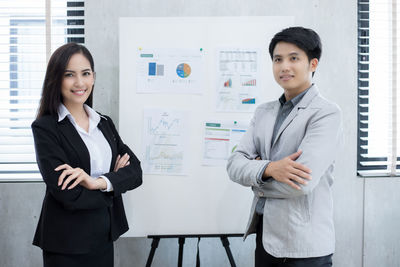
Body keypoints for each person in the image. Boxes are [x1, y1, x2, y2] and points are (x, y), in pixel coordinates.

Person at [227, 27, 343, 267]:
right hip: (265, 239)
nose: (284, 67)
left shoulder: (326, 113)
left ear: (313, 64)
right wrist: (270, 169)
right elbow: (234, 164)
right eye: (278, 59)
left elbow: (301, 184)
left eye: (294, 58)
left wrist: (256, 179)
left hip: (304, 246)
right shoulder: (263, 112)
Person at [31, 43, 143, 267]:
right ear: (57, 79)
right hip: (66, 242)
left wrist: (96, 182)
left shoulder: (104, 123)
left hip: (104, 237)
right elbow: (66, 194)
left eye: (86, 73)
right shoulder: (46, 128)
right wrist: (112, 185)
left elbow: (136, 172)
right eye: (69, 75)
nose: (79, 83)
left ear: (93, 77)